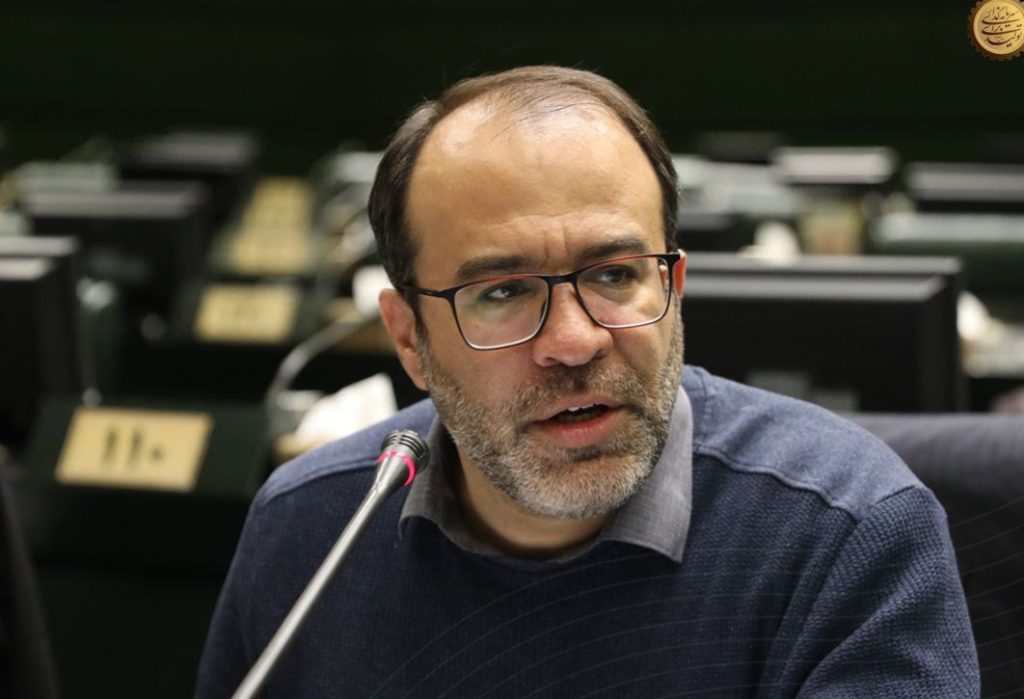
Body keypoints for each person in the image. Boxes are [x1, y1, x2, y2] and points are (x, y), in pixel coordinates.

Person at [196, 66, 979, 698]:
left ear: (674, 286)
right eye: (503, 291)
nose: (573, 341)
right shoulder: (309, 531)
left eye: (614, 274)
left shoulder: (849, 535)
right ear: (410, 338)